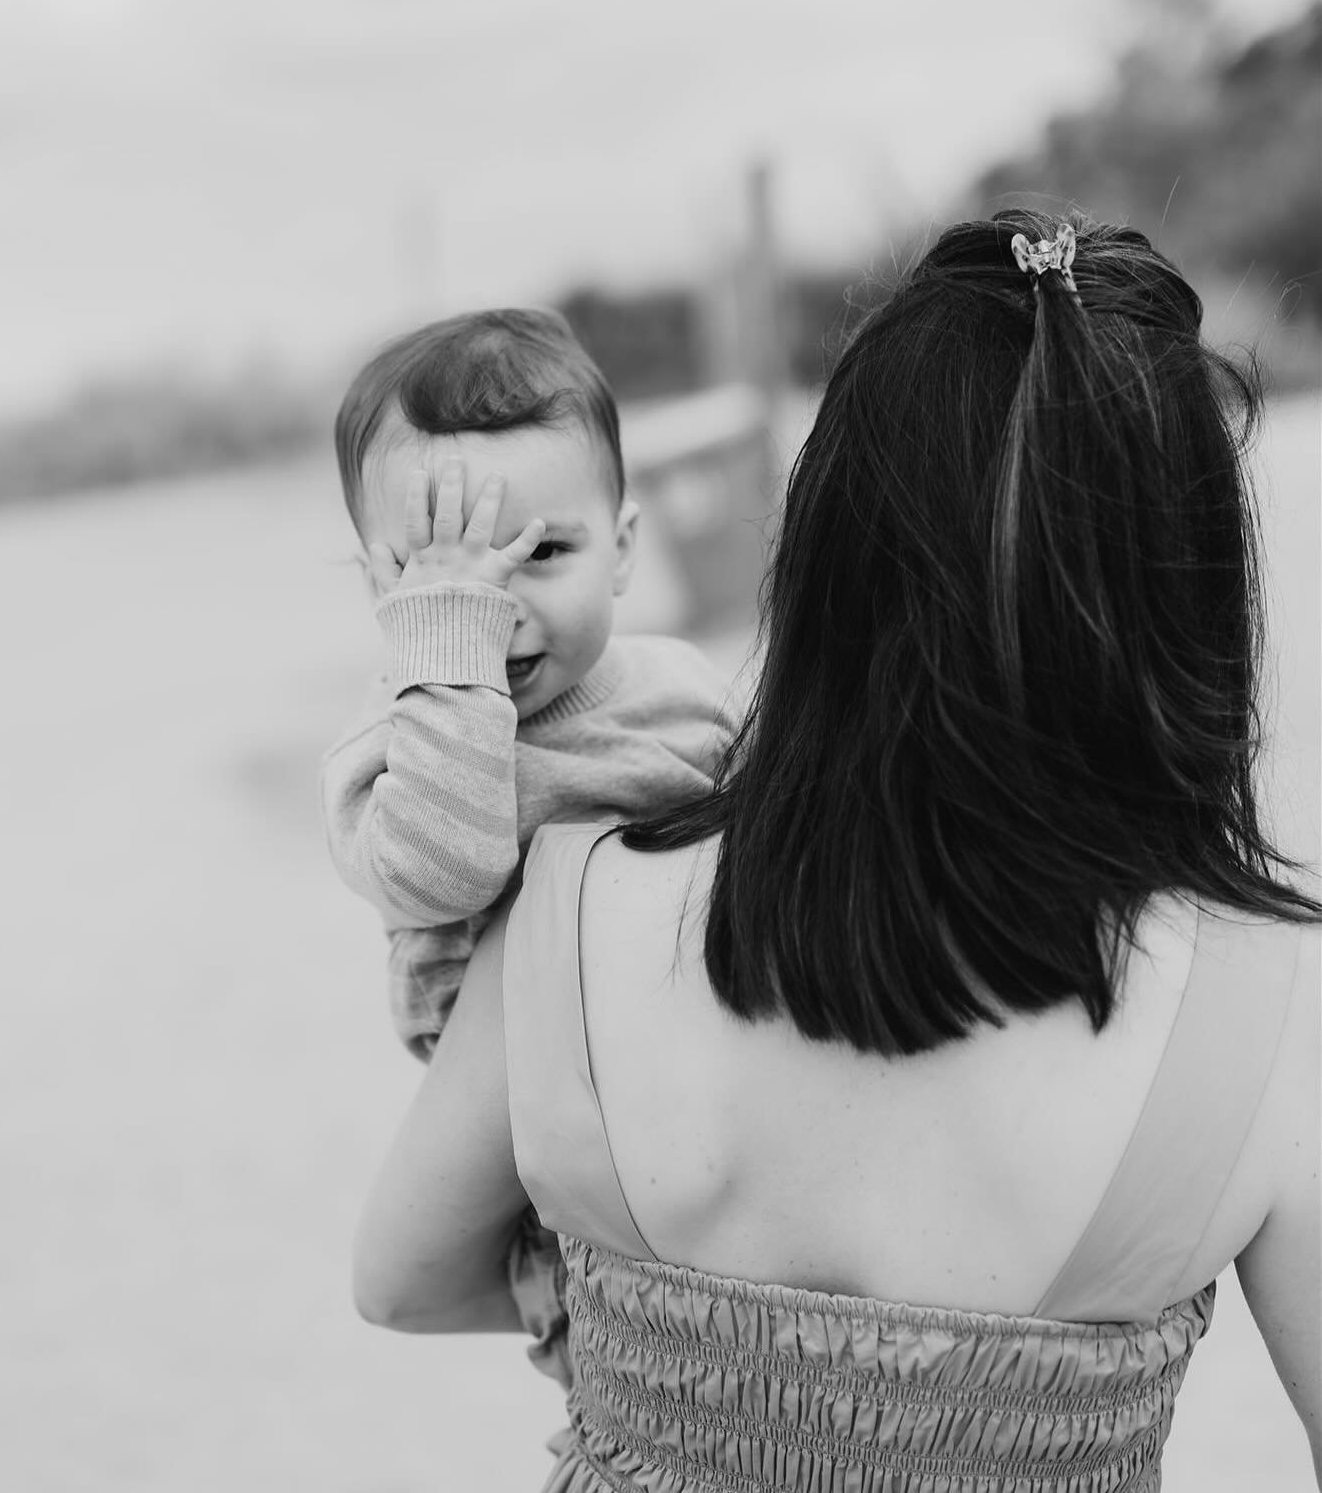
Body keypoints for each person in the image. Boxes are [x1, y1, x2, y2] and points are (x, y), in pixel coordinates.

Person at [352, 213, 1322, 1490]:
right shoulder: (1269, 1001)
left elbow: (404, 1278)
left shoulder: (573, 898)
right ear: (1184, 593)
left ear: (826, 552)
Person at [322, 306, 739, 1389]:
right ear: (378, 590)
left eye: (542, 553)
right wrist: (446, 663)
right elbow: (451, 867)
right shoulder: (393, 752)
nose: (491, 610)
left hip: (696, 1058)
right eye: (440, 580)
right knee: (624, 1334)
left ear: (623, 552)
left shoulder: (679, 689)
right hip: (532, 1134)